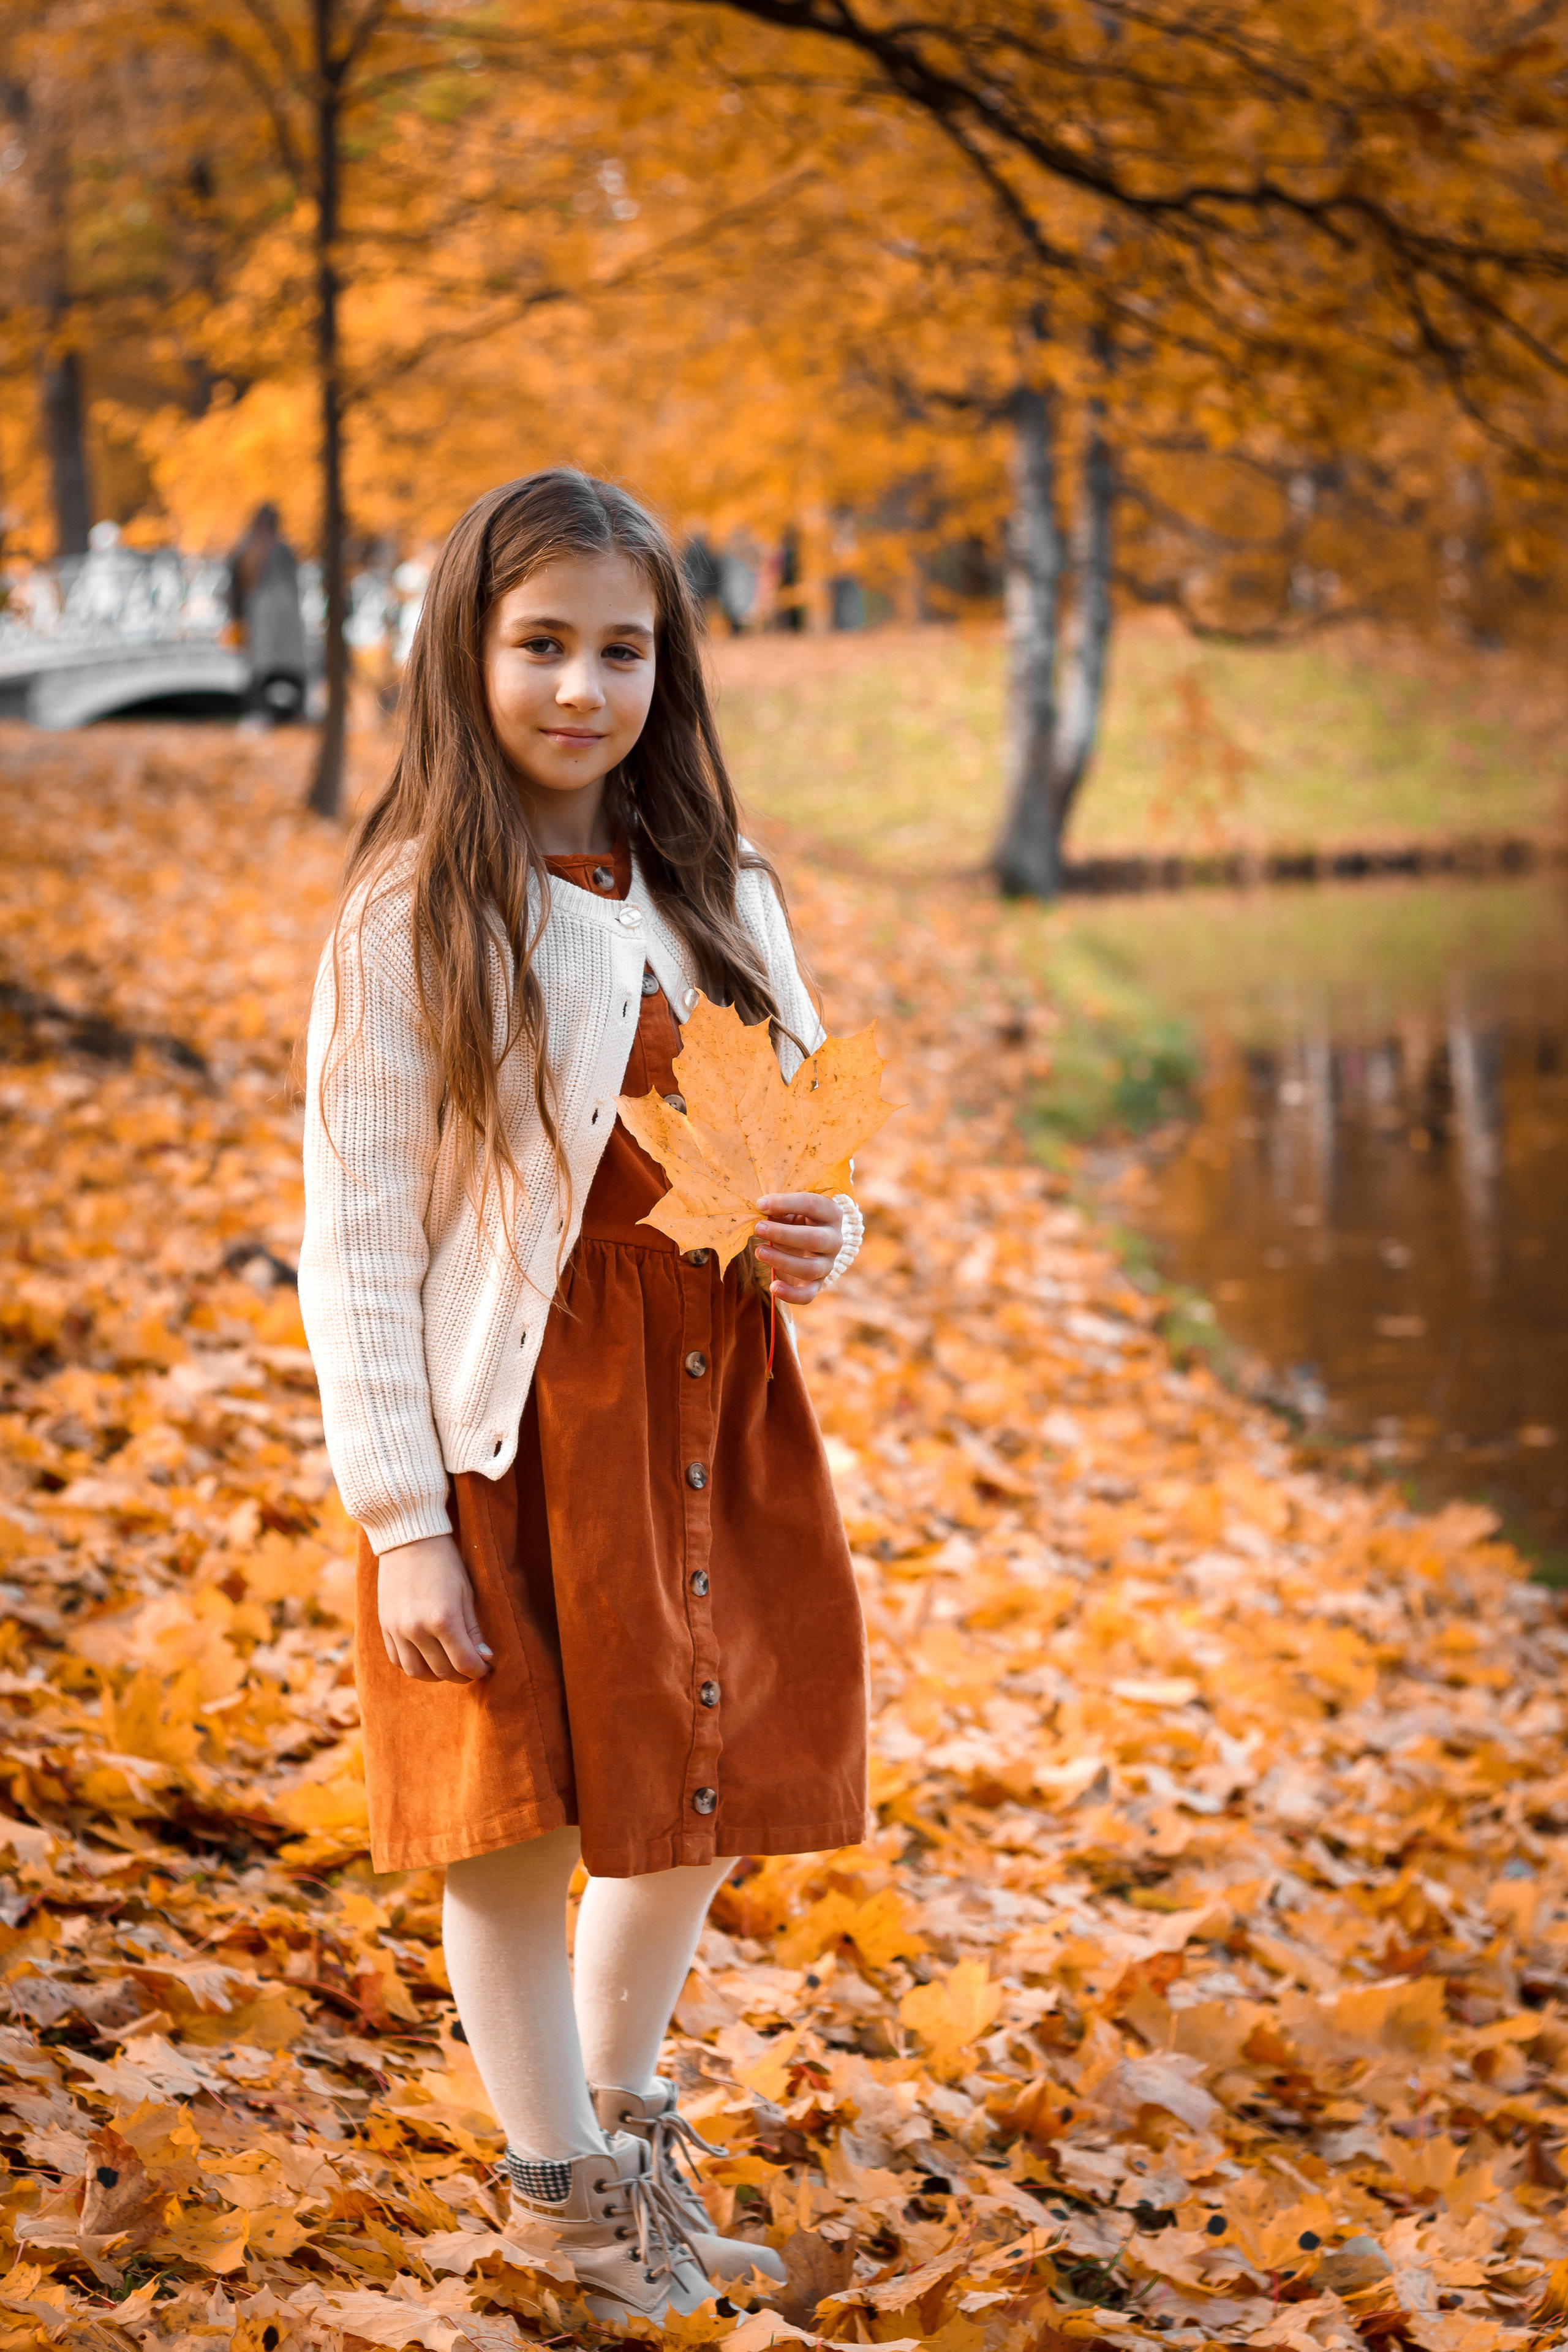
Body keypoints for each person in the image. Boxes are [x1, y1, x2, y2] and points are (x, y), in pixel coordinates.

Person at [298, 470, 869, 2323]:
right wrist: (402, 1523)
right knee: (517, 1808)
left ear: (666, 668)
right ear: (465, 653)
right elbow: (357, 1232)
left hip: (707, 1405)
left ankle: (623, 2135)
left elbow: (790, 1145)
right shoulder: (411, 916)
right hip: (511, 1416)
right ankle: (552, 2198)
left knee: (696, 1781)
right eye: (541, 643)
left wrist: (821, 1225)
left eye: (621, 648)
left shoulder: (721, 888)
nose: (580, 686)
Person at [226, 502, 307, 724]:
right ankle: (262, 711)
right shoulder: (248, 553)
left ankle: (286, 712)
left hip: (277, 618)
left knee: (276, 667)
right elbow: (236, 590)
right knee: (263, 668)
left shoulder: (275, 551)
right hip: (265, 618)